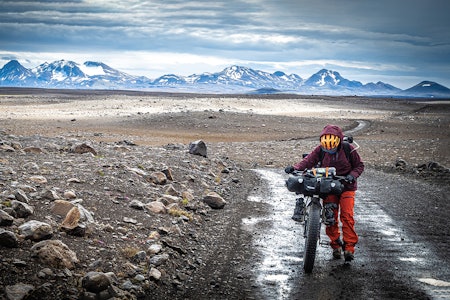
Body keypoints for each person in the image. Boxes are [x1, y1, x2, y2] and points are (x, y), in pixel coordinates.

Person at [285, 124, 364, 262]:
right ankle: (336, 246)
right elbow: (308, 160)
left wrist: (352, 175)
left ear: (338, 142)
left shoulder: (348, 149)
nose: (330, 150)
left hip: (346, 186)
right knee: (330, 216)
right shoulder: (320, 150)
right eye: (327, 148)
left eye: (332, 148)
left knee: (347, 215)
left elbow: (359, 165)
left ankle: (349, 248)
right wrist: (295, 168)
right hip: (328, 186)